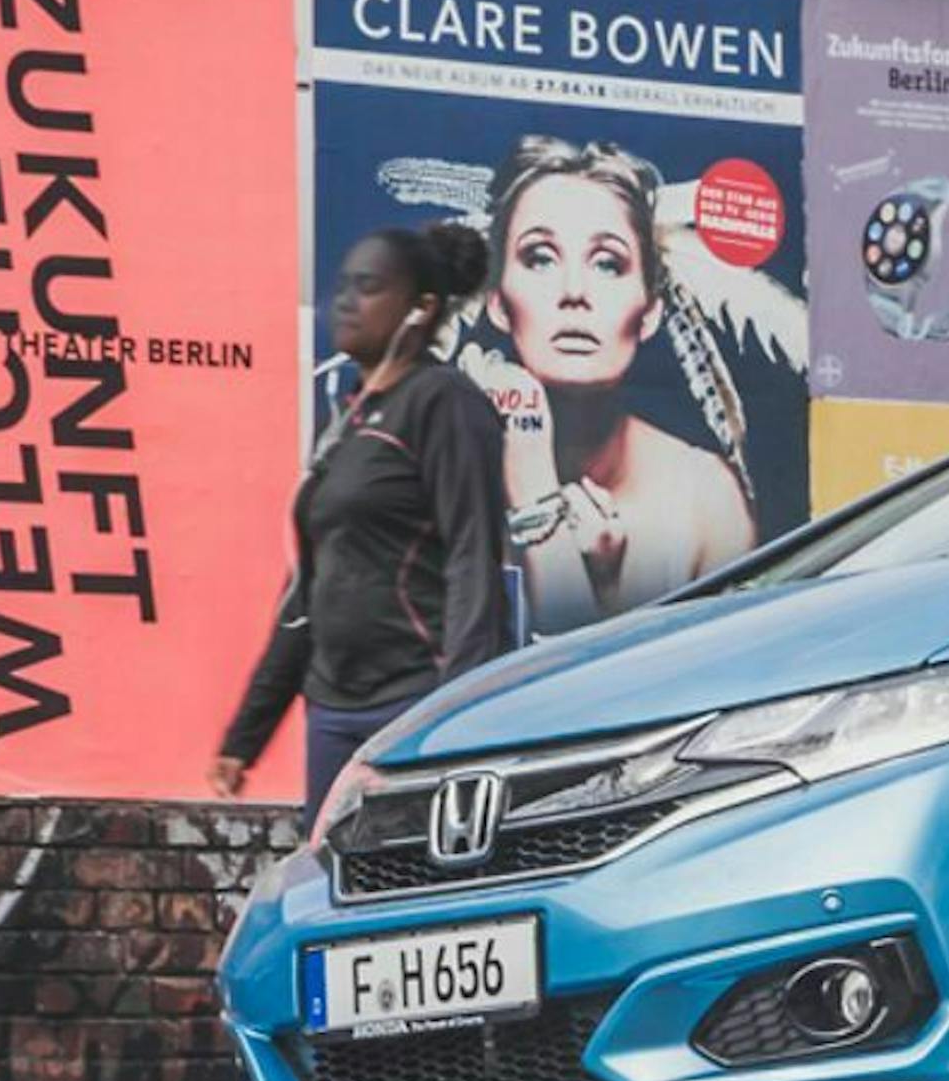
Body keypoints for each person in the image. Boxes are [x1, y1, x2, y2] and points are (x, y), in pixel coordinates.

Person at [210, 224, 514, 822]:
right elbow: (307, 592)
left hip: (411, 706)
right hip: (333, 709)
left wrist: (458, 715)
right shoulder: (349, 420)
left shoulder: (443, 402)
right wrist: (245, 736)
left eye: (369, 287)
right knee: (332, 884)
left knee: (410, 890)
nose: (345, 302)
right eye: (344, 286)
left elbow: (472, 556)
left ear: (421, 308)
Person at [452, 137, 760, 632]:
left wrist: (607, 591)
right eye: (540, 258)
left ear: (651, 311)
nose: (575, 293)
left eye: (607, 263)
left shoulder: (707, 499)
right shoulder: (449, 475)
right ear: (497, 302)